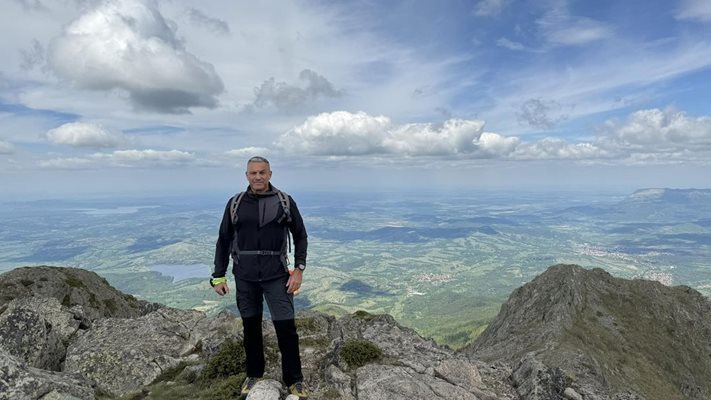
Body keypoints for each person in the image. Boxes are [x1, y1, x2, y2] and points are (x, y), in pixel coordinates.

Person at [211, 156, 309, 399]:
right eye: (253, 173)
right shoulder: (235, 203)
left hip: (277, 275)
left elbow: (300, 235)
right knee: (250, 327)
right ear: (246, 176)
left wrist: (299, 269)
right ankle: (253, 374)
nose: (258, 177)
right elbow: (223, 240)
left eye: (262, 172)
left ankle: (294, 380)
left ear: (270, 174)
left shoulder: (284, 201)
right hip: (244, 276)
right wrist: (218, 276)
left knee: (286, 328)